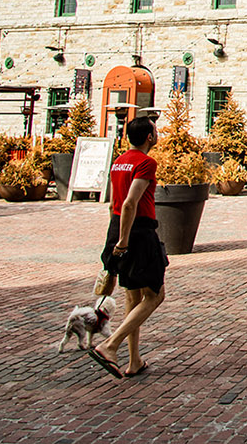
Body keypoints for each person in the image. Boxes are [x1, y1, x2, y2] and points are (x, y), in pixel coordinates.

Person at [90, 116, 168, 378]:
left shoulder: (119, 161)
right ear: (149, 137)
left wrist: (115, 237)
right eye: (155, 130)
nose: (157, 134)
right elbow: (129, 203)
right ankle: (110, 346)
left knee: (132, 296)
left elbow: (115, 202)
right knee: (155, 295)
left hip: (116, 226)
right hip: (138, 231)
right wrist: (124, 241)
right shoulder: (146, 163)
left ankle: (134, 360)